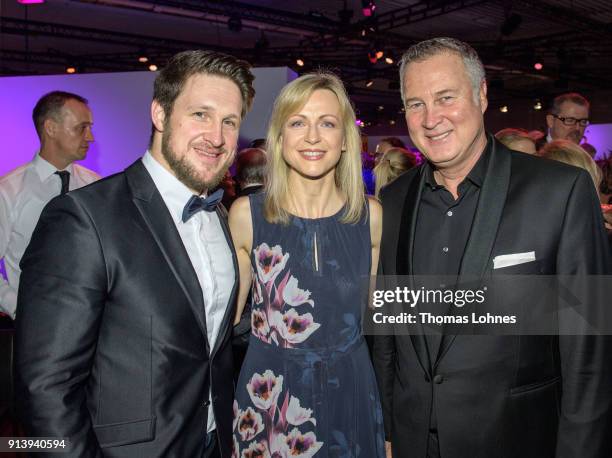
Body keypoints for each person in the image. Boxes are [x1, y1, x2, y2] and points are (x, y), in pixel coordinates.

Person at [373, 37, 611, 458]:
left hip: (515, 439)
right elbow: (390, 331)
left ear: (482, 95)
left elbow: (588, 346)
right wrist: (388, 429)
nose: (431, 119)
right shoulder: (392, 202)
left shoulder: (559, 192)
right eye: (415, 104)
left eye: (446, 97)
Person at [15, 50, 255, 457]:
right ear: (160, 115)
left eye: (229, 122)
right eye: (200, 114)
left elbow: (210, 338)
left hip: (214, 443)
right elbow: (44, 389)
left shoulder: (218, 216)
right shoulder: (84, 219)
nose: (216, 137)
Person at [229, 72, 385, 457]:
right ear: (280, 138)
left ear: (346, 139)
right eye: (297, 122)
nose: (312, 137)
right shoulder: (247, 215)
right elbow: (224, 323)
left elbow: (381, 321)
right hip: (271, 396)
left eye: (327, 123)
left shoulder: (372, 217)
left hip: (351, 392)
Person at [0, 91, 99, 319]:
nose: (90, 137)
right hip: (35, 328)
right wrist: (19, 307)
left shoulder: (95, 186)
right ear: (51, 128)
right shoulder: (8, 191)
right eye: (81, 127)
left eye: (90, 127)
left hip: (92, 324)